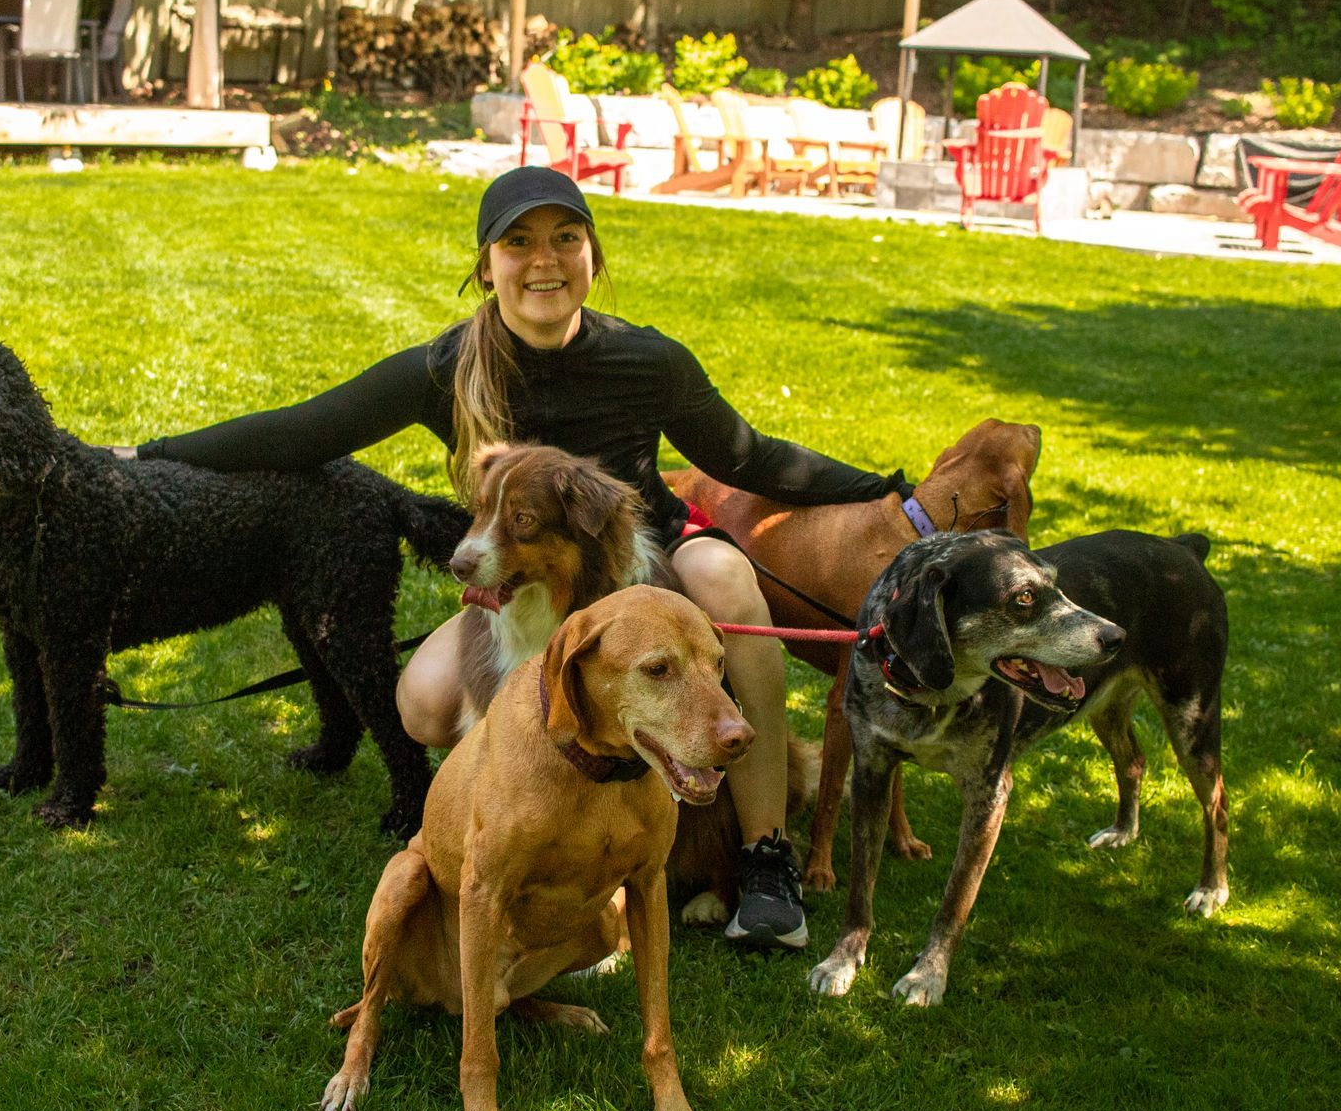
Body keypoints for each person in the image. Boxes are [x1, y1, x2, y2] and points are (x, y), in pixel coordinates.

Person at [111, 167, 904, 950]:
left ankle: (765, 856)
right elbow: (305, 430)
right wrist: (150, 455)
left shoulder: (647, 360)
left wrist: (889, 496)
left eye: (567, 238)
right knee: (420, 705)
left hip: (646, 564)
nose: (545, 260)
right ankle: (540, 831)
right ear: (485, 265)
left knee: (727, 576)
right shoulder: (449, 367)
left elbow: (749, 457)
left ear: (594, 255)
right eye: (518, 242)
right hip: (524, 585)